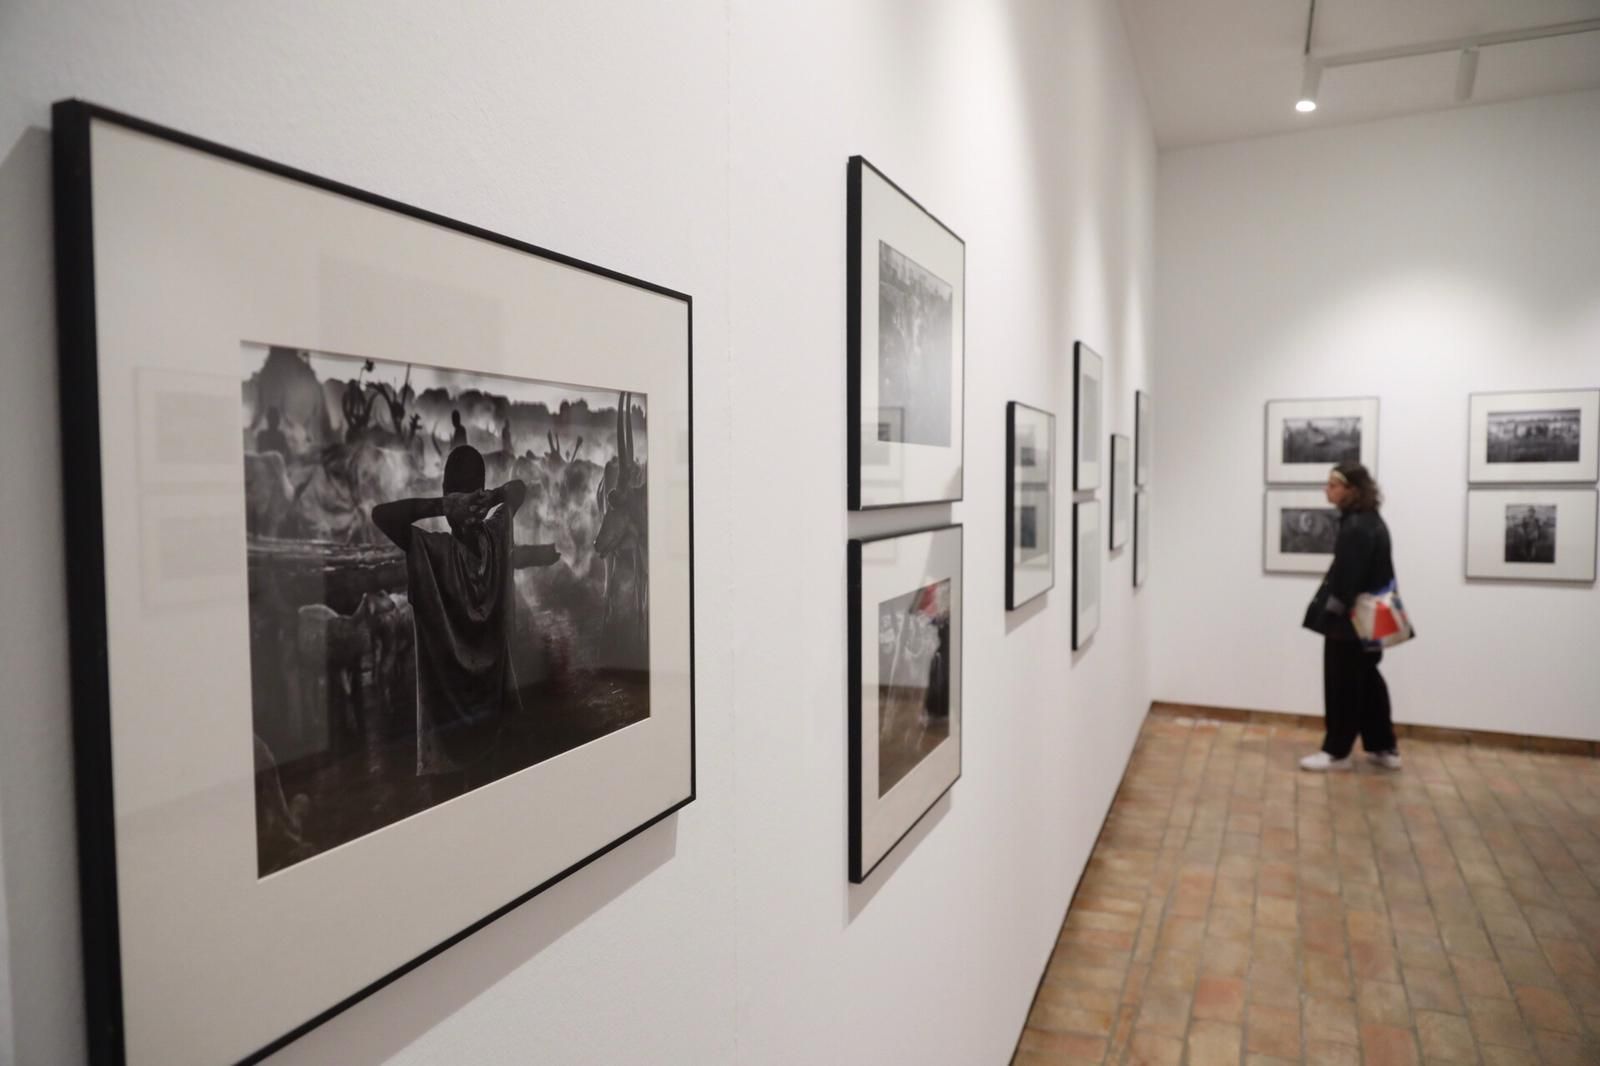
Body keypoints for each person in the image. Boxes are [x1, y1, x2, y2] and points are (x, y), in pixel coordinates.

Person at [371, 446, 553, 787]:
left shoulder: (436, 552)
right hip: (489, 720)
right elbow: (517, 491)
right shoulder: (495, 537)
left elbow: (381, 515)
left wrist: (443, 505)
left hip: (449, 727)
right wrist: (491, 496)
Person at [1300, 461, 1402, 772]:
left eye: (1333, 485)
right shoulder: (1370, 520)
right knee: (1368, 681)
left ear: (1352, 490)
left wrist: (1334, 610)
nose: (1326, 490)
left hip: (1351, 620)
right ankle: (1383, 746)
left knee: (1342, 683)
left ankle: (1337, 752)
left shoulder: (1357, 526)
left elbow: (1349, 577)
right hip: (1372, 614)